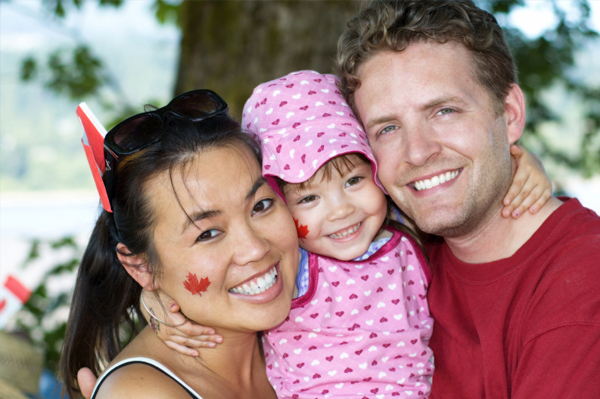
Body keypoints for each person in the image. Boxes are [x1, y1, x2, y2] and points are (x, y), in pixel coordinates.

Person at [136, 71, 551, 399]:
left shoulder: (404, 236)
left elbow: (457, 198)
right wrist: (154, 293)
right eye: (309, 197)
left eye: (354, 181)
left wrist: (518, 164)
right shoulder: (293, 263)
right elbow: (226, 283)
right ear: (282, 203)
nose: (341, 210)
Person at [336, 0, 600, 398]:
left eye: (444, 111)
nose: (418, 152)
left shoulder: (581, 282)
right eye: (388, 128)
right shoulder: (389, 257)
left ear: (509, 115)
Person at [59, 90, 301, 399]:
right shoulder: (142, 394)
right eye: (208, 234)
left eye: (261, 205)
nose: (255, 248)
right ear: (140, 267)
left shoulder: (318, 322)